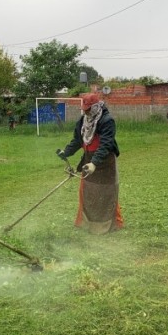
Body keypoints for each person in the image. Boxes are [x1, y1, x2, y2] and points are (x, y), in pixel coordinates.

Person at [57, 93, 123, 234]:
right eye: (84, 108)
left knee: (105, 193)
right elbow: (77, 140)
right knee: (87, 192)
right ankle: (87, 224)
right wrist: (66, 152)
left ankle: (106, 226)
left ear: (95, 107)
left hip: (104, 161)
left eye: (88, 108)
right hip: (89, 159)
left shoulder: (107, 120)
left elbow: (106, 144)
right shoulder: (83, 121)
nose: (85, 111)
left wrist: (95, 163)